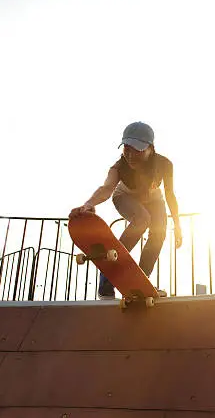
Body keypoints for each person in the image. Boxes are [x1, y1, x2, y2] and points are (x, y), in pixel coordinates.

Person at [69, 121, 183, 299]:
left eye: (137, 150)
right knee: (142, 219)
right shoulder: (118, 167)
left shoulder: (165, 164)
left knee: (159, 231)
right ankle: (106, 282)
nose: (130, 156)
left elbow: (170, 195)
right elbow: (106, 188)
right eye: (126, 149)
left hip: (154, 199)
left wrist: (177, 225)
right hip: (124, 197)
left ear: (150, 148)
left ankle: (141, 280)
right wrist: (89, 203)